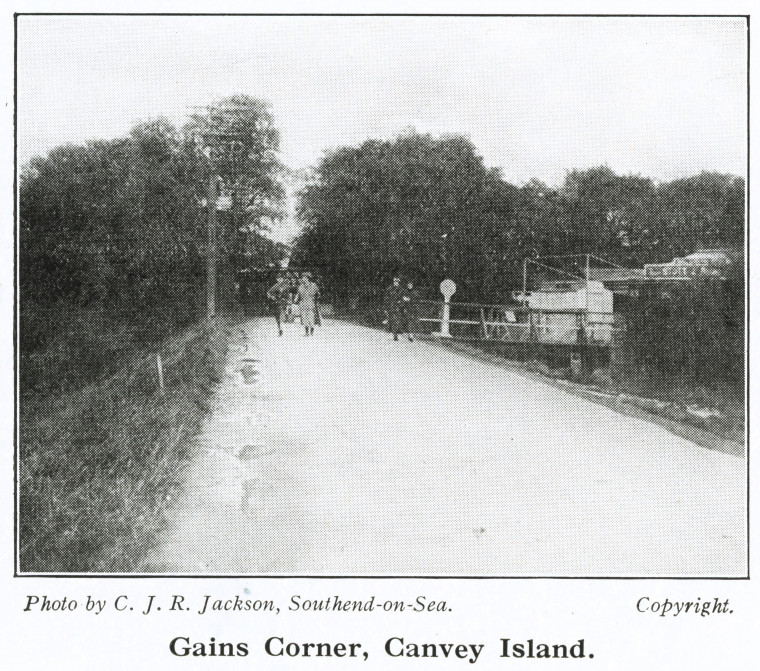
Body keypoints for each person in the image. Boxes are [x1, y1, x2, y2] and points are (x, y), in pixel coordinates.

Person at [384, 276, 407, 341]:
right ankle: (393, 334)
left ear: (399, 282)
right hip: (391, 307)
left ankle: (396, 334)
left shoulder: (402, 290)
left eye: (397, 282)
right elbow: (386, 299)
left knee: (397, 321)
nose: (396, 283)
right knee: (392, 320)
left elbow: (403, 298)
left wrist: (402, 304)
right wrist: (386, 308)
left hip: (399, 307)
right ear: (393, 282)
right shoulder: (390, 289)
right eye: (395, 282)